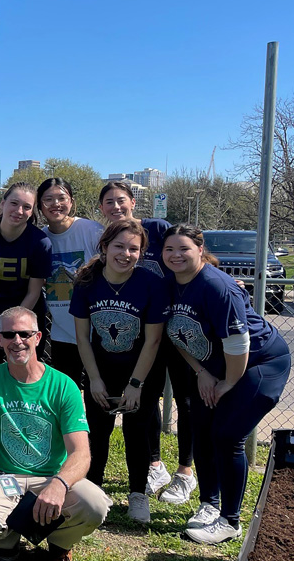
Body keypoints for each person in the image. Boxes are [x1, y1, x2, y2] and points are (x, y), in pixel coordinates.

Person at [0, 306, 110, 561]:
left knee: (95, 504)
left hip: (51, 477)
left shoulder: (63, 386)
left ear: (38, 338)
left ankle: (59, 544)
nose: (17, 341)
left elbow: (81, 454)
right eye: (8, 335)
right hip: (4, 478)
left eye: (24, 334)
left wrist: (59, 484)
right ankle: (8, 546)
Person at [162, 225, 291, 544]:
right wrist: (202, 372)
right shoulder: (170, 282)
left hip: (259, 363)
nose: (176, 255)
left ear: (200, 249)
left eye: (184, 249)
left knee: (228, 434)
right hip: (213, 367)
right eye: (169, 250)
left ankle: (229, 522)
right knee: (202, 429)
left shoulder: (218, 287)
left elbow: (238, 345)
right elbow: (178, 332)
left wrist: (227, 384)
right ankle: (209, 504)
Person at [99, 182, 195, 503]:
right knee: (146, 399)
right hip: (139, 335)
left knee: (185, 398)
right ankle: (155, 464)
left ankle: (185, 472)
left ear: (133, 203)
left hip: (176, 328)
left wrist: (211, 271)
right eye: (109, 202)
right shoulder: (110, 244)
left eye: (121, 200)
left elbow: (186, 250)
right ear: (101, 208)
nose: (115, 207)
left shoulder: (157, 229)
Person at [70, 220, 169, 523]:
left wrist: (136, 383)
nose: (125, 253)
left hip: (143, 372)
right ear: (104, 246)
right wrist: (95, 380)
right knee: (97, 432)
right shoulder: (87, 283)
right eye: (119, 246)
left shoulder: (150, 284)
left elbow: (153, 340)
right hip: (102, 371)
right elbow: (82, 338)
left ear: (141, 252)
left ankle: (138, 494)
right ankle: (93, 490)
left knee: (136, 432)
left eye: (133, 248)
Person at [0, 182, 53, 370]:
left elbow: (34, 292)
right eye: (14, 203)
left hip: (27, 318)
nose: (19, 210)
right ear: (2, 204)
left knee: (28, 374)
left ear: (32, 212)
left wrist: (13, 329)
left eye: (27, 207)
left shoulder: (40, 243)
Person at [38, 178, 103, 387]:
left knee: (99, 395)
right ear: (40, 205)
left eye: (61, 198)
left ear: (72, 202)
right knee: (66, 395)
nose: (55, 204)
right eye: (48, 199)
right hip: (61, 331)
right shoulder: (39, 238)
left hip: (97, 330)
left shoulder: (92, 231)